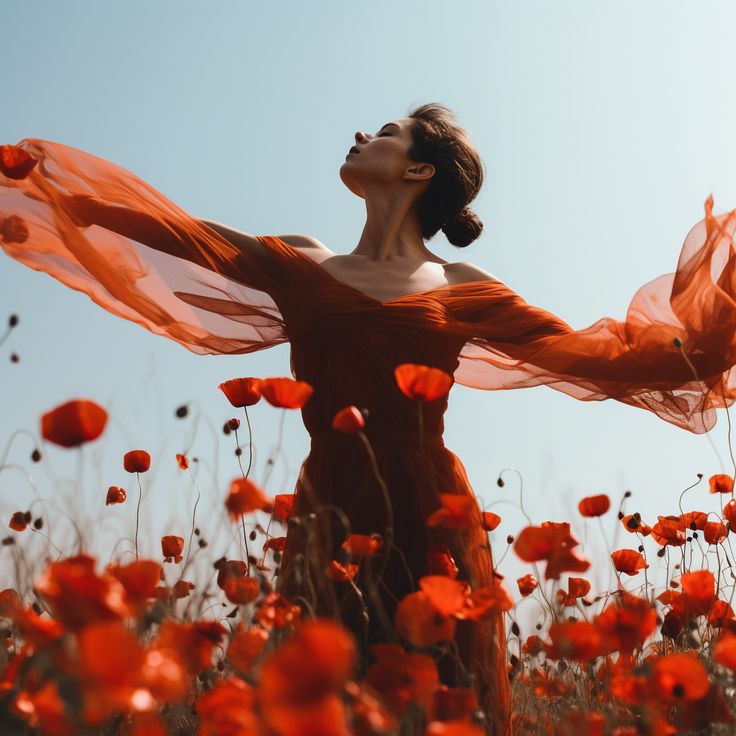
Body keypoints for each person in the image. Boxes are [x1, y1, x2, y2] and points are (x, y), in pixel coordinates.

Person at [2, 102, 736, 736]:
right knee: (325, 686)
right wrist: (46, 189)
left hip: (427, 505)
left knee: (436, 688)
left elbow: (597, 355)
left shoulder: (463, 286)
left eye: (386, 132)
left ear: (419, 172)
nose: (361, 133)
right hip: (331, 497)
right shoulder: (303, 261)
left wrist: (713, 332)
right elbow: (175, 231)